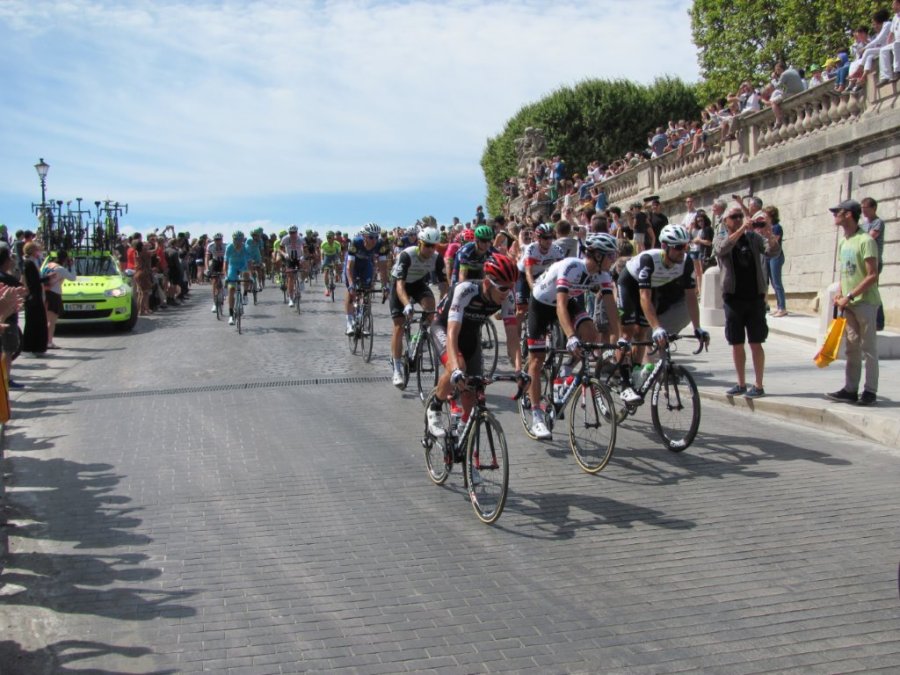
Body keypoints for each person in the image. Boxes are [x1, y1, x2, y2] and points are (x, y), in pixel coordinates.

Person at [524, 234, 622, 439]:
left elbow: (611, 308)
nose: (613, 259)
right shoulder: (571, 266)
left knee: (591, 335)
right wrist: (570, 336)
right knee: (537, 360)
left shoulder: (602, 275)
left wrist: (618, 337)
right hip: (541, 305)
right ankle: (537, 415)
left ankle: (566, 370)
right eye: (611, 255)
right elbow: (560, 305)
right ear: (598, 256)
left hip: (566, 302)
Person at [426, 254, 522, 438]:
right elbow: (452, 333)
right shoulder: (465, 290)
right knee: (458, 367)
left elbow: (512, 336)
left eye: (511, 286)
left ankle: (462, 433)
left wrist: (519, 370)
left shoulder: (507, 297)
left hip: (471, 335)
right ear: (487, 283)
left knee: (472, 389)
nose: (507, 292)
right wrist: (455, 369)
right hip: (444, 328)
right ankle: (435, 406)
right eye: (503, 288)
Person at [617, 225, 708, 402]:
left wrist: (698, 328)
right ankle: (624, 383)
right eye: (678, 247)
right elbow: (644, 297)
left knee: (642, 333)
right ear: (665, 246)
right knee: (628, 333)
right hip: (629, 284)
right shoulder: (649, 259)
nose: (683, 251)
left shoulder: (686, 262)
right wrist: (657, 327)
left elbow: (691, 296)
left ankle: (635, 371)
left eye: (686, 246)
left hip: (652, 287)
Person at [714, 208, 782, 398]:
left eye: (740, 216)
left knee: (756, 342)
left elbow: (773, 252)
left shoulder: (753, 238)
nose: (738, 219)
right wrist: (742, 229)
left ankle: (758, 385)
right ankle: (741, 383)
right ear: (725, 221)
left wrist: (769, 235)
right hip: (733, 298)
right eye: (733, 217)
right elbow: (721, 249)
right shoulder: (720, 237)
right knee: (736, 343)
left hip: (754, 297)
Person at [826, 200, 880, 406]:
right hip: (848, 303)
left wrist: (849, 295)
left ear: (849, 214)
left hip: (865, 302)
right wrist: (840, 294)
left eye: (837, 212)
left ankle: (870, 391)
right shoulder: (844, 242)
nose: (834, 215)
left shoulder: (866, 240)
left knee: (869, 348)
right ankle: (850, 389)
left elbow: (872, 275)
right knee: (851, 348)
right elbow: (845, 272)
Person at [389, 227, 448, 388]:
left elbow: (444, 285)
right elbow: (400, 285)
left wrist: (443, 303)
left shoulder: (437, 258)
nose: (430, 249)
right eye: (427, 245)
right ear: (420, 243)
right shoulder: (407, 255)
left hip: (417, 284)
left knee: (431, 308)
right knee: (399, 326)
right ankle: (397, 369)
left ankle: (420, 336)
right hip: (400, 285)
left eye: (433, 246)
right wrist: (407, 304)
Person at [344, 222, 389, 335]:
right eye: (371, 237)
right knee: (351, 292)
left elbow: (383, 268)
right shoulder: (356, 242)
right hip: (353, 265)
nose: (374, 240)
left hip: (365, 264)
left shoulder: (380, 244)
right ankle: (349, 322)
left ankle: (364, 320)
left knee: (367, 291)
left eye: (376, 237)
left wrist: (385, 285)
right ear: (364, 236)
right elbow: (349, 267)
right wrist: (351, 285)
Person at [43, 249, 77, 348]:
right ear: (66, 259)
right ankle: (49, 342)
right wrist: (72, 266)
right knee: (52, 321)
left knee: (46, 320)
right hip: (54, 294)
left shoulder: (48, 265)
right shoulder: (60, 269)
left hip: (45, 293)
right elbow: (73, 278)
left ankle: (45, 341)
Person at [861, 197, 886, 330]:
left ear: (874, 208)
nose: (863, 212)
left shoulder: (878, 222)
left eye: (866, 209)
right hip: (863, 261)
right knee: (866, 290)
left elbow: (869, 238)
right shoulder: (863, 224)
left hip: (875, 262)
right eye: (862, 209)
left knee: (873, 290)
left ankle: (879, 322)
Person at [21, 242, 49, 355]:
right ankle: (31, 348)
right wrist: (47, 278)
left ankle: (37, 347)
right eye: (37, 249)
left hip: (36, 296)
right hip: (34, 297)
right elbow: (33, 281)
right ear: (32, 250)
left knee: (37, 322)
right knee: (35, 322)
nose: (39, 251)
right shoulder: (29, 263)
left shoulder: (32, 262)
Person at [763, 206, 787, 317]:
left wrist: (767, 233)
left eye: (766, 215)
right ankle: (779, 307)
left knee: (777, 283)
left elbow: (773, 242)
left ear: (771, 216)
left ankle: (782, 308)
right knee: (772, 283)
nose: (764, 216)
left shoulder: (777, 227)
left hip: (776, 257)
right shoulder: (767, 227)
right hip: (768, 256)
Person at [224, 231, 251, 326]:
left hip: (243, 266)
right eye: (235, 239)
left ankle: (245, 294)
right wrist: (226, 275)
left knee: (246, 275)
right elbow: (226, 262)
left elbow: (249, 262)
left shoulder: (246, 247)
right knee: (231, 289)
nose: (238, 242)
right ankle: (231, 315)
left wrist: (250, 274)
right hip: (232, 267)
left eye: (240, 240)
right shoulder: (229, 247)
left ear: (242, 240)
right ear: (233, 240)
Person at [279, 226, 306, 307]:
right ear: (289, 233)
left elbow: (305, 249)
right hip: (289, 259)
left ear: (297, 232)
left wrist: (303, 256)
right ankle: (291, 298)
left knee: (304, 268)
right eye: (291, 233)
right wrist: (284, 254)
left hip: (298, 258)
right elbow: (280, 249)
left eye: (294, 232)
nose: (292, 234)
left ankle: (302, 281)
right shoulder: (285, 239)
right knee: (290, 278)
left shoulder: (301, 239)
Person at [205, 233, 226, 312]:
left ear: (222, 240)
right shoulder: (210, 246)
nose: (217, 241)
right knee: (214, 281)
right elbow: (207, 258)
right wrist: (207, 268)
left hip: (224, 261)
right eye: (216, 240)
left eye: (219, 240)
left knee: (226, 276)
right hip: (216, 262)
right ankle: (214, 303)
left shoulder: (226, 245)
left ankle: (224, 290)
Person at [132, 239, 153, 316]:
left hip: (137, 273)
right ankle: (141, 310)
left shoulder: (136, 253)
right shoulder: (144, 253)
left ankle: (139, 310)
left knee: (141, 293)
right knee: (144, 293)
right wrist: (156, 243)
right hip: (143, 273)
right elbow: (154, 251)